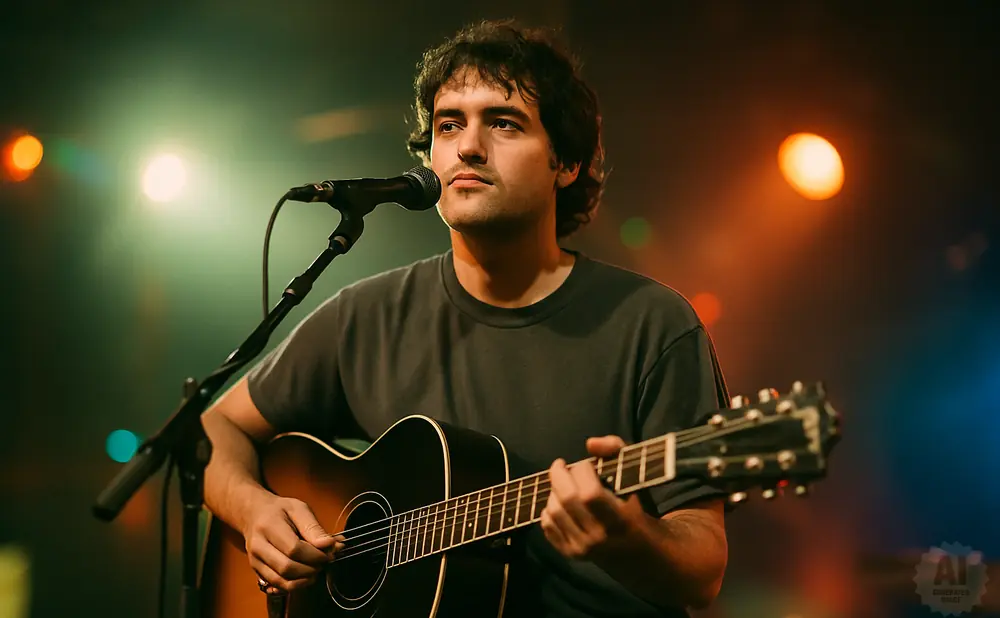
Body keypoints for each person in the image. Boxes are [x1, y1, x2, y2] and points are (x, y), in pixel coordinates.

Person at [202, 18, 731, 617]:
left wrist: (628, 540)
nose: (468, 146)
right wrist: (255, 512)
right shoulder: (367, 315)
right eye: (449, 124)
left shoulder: (652, 324)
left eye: (503, 123)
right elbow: (219, 427)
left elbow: (702, 572)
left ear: (567, 163)